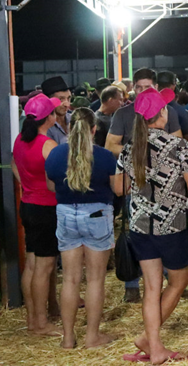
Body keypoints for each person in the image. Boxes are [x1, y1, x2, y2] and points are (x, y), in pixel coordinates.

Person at [113, 88, 188, 365]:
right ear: (163, 113)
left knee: (151, 288)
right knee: (178, 282)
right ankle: (149, 342)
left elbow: (119, 189)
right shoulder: (178, 146)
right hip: (172, 226)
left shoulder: (130, 147)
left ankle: (152, 345)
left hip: (141, 226)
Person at [105, 69, 183, 303]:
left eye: (147, 87)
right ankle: (132, 284)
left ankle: (170, 278)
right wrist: (142, 152)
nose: (141, 91)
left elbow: (178, 141)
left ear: (156, 88)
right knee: (137, 231)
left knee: (164, 230)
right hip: (136, 182)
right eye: (138, 87)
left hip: (164, 185)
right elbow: (110, 145)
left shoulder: (168, 112)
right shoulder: (123, 113)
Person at [44, 108, 117, 350]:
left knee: (70, 279)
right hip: (97, 214)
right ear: (94, 129)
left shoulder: (55, 154)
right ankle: (92, 337)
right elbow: (117, 188)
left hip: (66, 213)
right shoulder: (104, 156)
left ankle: (67, 338)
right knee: (95, 279)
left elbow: (50, 185)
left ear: (69, 127)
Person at [12, 93, 63, 335]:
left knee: (32, 264)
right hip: (46, 209)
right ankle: (41, 323)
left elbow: (14, 164)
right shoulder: (48, 145)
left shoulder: (20, 139)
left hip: (28, 204)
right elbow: (57, 181)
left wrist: (27, 184)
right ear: (49, 117)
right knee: (44, 266)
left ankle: (32, 319)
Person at [41, 76, 73, 146]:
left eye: (68, 98)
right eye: (61, 99)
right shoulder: (44, 127)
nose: (67, 104)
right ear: (48, 101)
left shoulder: (74, 120)